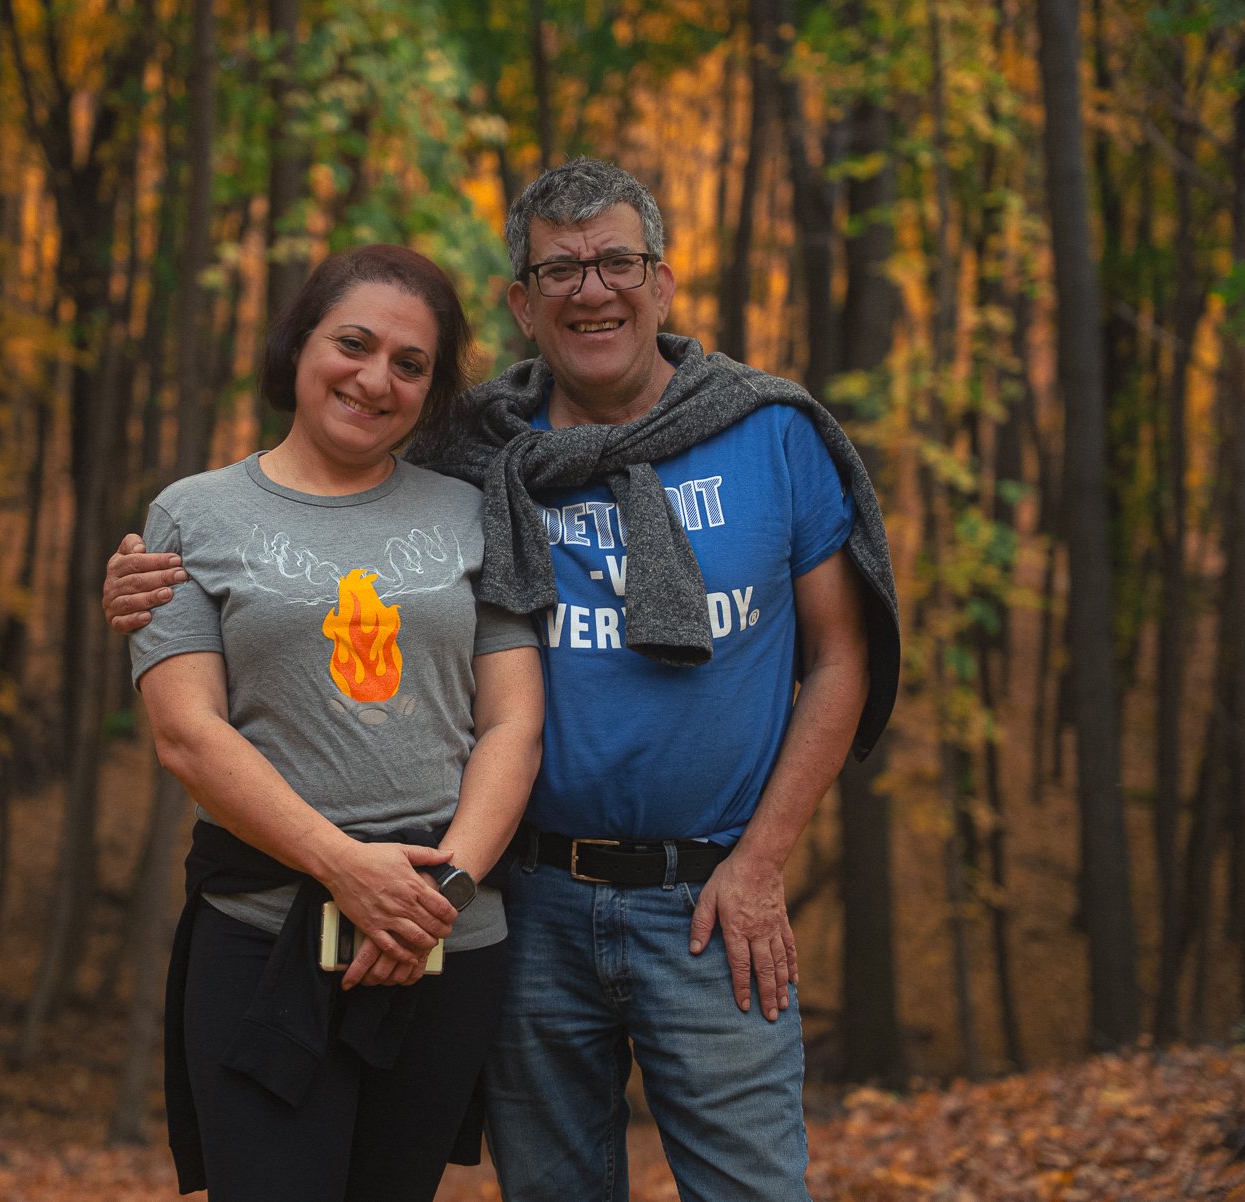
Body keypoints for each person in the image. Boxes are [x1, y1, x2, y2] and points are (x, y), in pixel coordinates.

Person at [107, 160, 901, 1202]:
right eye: (559, 269)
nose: (592, 288)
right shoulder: (480, 450)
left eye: (617, 260)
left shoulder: (771, 429)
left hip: (702, 898)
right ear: (523, 303)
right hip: (526, 902)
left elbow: (844, 653)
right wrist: (145, 577)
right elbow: (321, 479)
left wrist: (762, 860)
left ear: (662, 281)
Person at [131, 243, 543, 1202]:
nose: (374, 379)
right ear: (300, 345)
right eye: (352, 344)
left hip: (445, 943)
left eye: (411, 364)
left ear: (433, 390)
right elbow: (187, 735)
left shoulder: (475, 512)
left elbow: (513, 725)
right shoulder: (192, 514)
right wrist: (345, 868)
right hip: (264, 935)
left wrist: (437, 894)